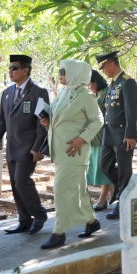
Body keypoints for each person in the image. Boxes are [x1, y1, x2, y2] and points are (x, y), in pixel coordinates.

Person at [39, 60, 104, 249]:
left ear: (75, 74)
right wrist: (47, 121)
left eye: (63, 72)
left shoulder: (86, 96)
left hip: (75, 151)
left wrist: (81, 139)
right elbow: (58, 117)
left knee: (61, 189)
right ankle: (92, 222)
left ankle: (59, 232)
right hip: (60, 150)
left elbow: (98, 121)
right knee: (77, 189)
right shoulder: (64, 92)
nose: (60, 75)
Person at [0, 54, 49, 235]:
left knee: (22, 181)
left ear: (25, 70)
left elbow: (42, 124)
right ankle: (24, 220)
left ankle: (39, 215)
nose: (10, 71)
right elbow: (1, 123)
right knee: (15, 184)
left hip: (29, 148)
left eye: (14, 68)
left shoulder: (39, 92)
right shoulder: (7, 93)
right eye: (9, 68)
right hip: (12, 148)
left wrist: (37, 147)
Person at [96, 51, 137, 220]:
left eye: (103, 67)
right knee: (105, 166)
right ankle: (126, 189)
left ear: (112, 64)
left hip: (123, 135)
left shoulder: (128, 83)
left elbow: (131, 111)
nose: (103, 71)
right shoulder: (113, 84)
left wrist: (131, 134)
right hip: (109, 134)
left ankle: (123, 204)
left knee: (124, 170)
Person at [87, 69, 113, 211]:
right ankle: (113, 198)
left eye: (90, 84)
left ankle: (102, 200)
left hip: (104, 138)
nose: (88, 87)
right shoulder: (96, 94)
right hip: (95, 138)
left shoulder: (106, 93)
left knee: (103, 170)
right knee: (102, 169)